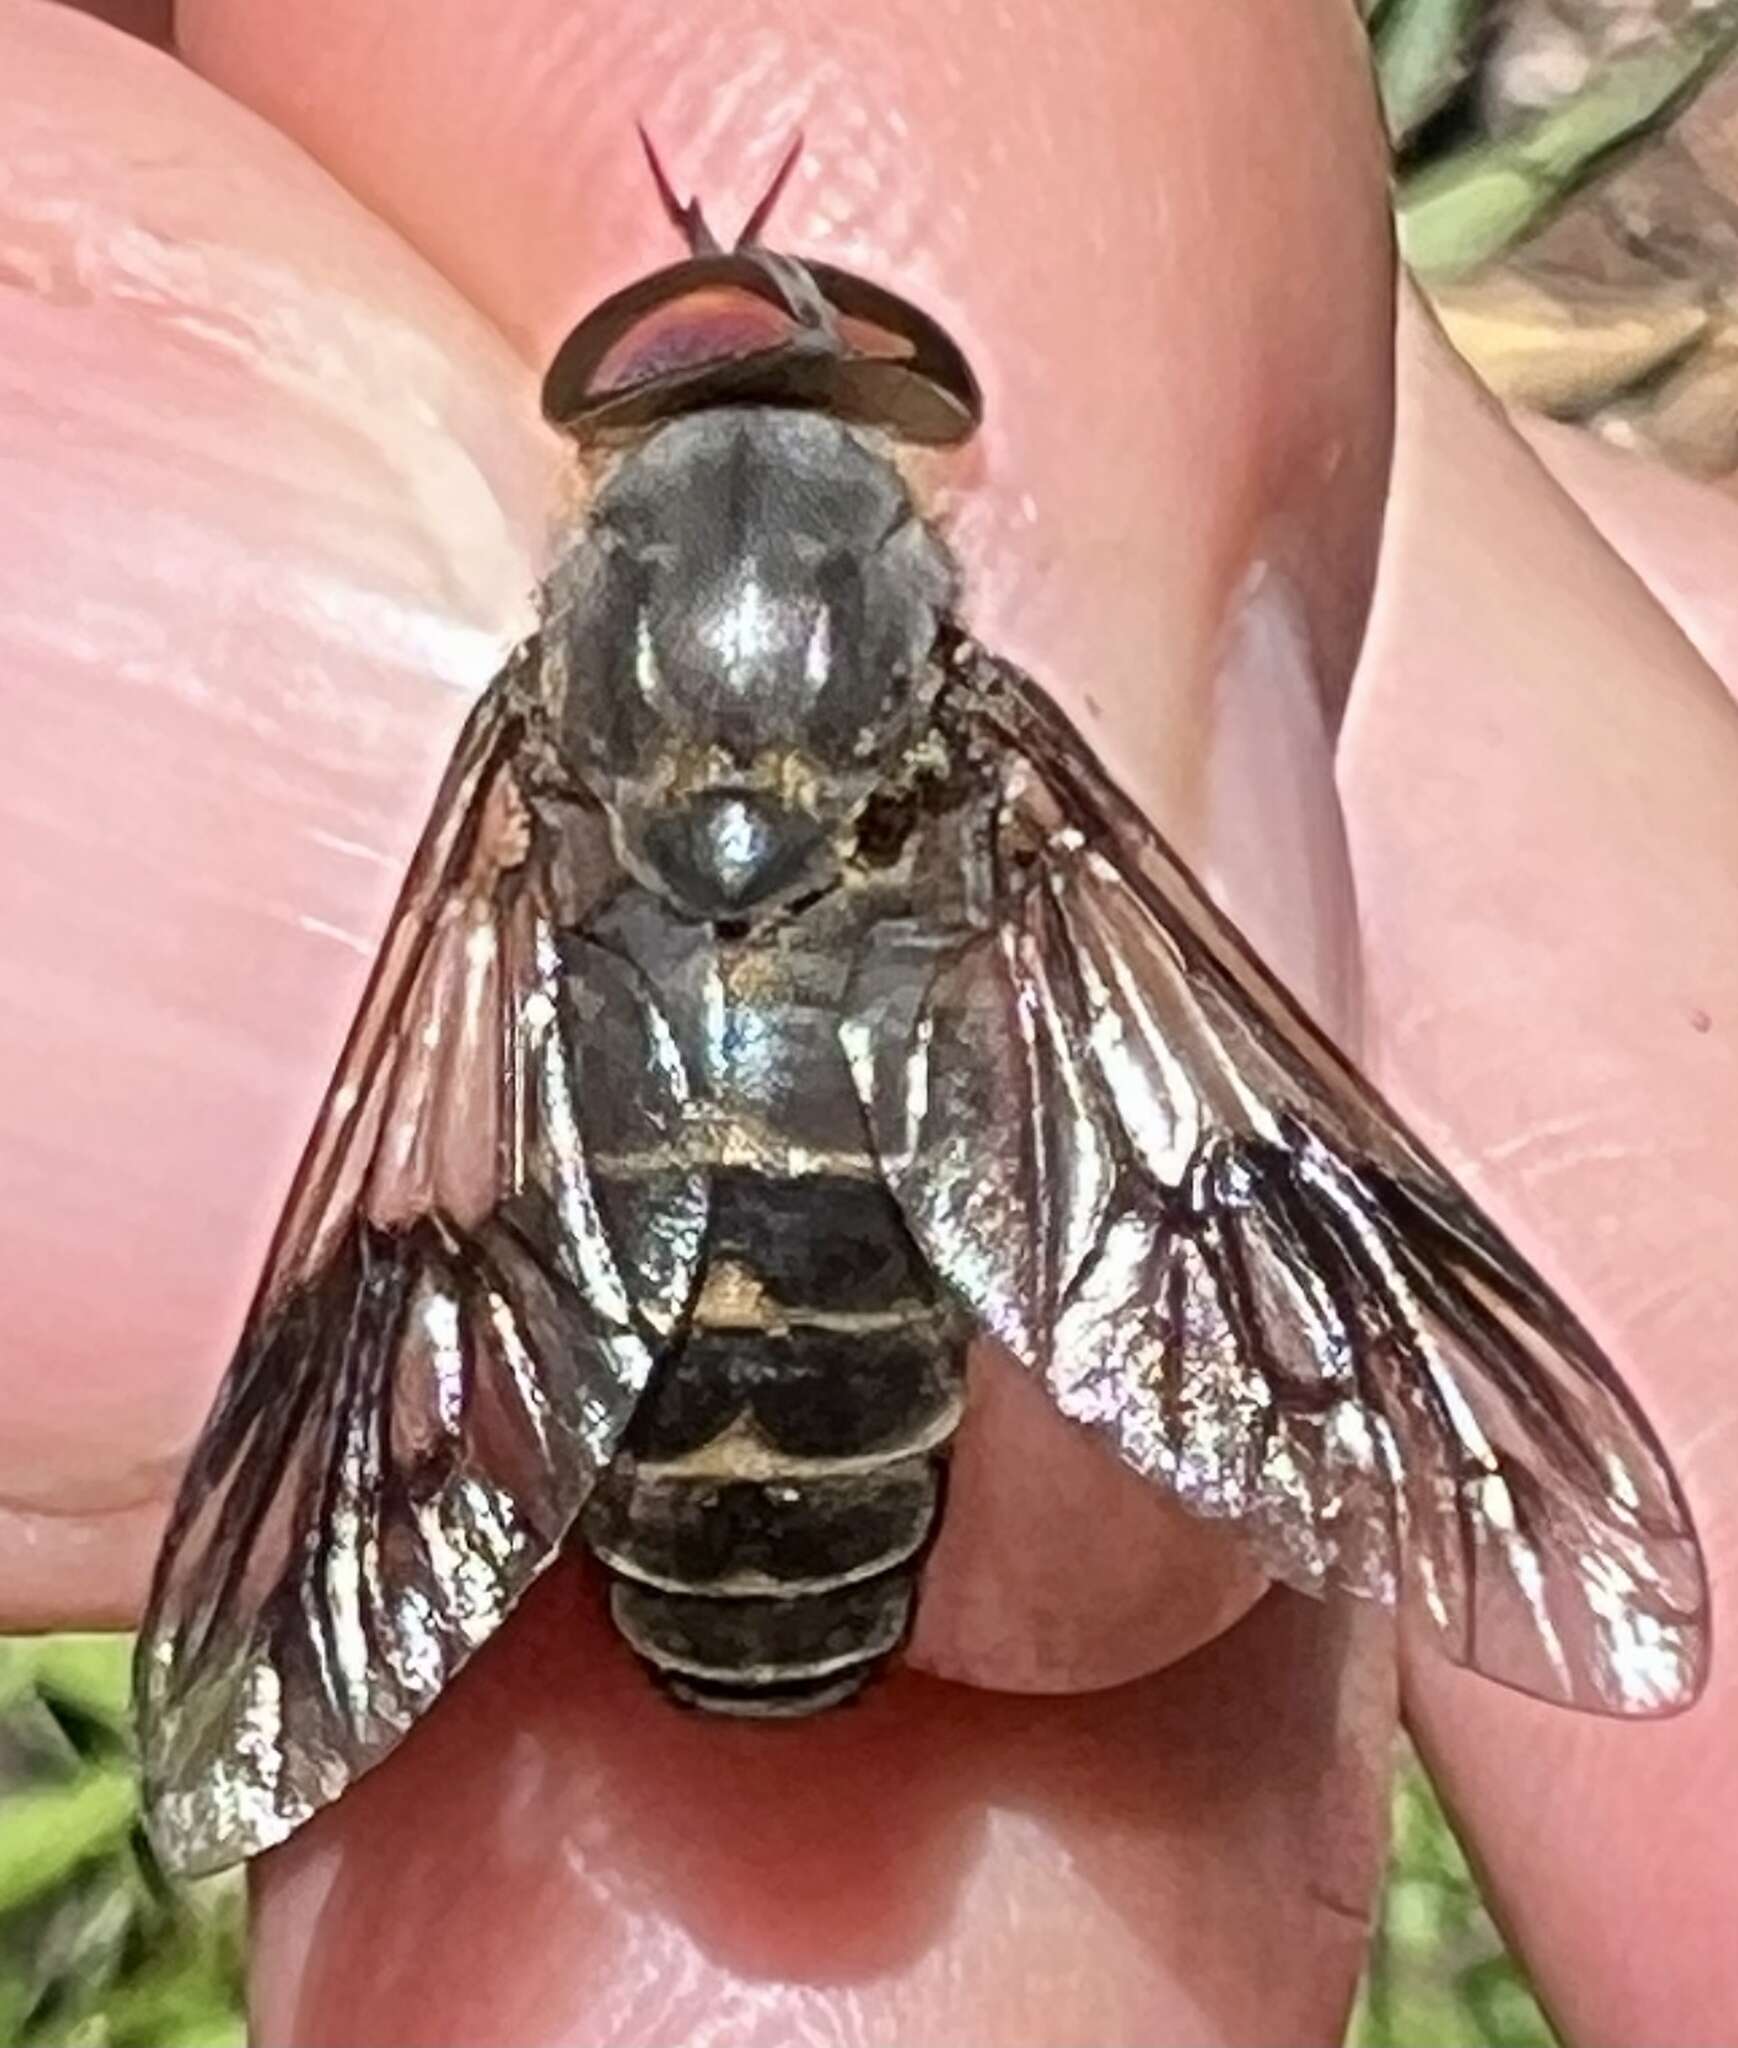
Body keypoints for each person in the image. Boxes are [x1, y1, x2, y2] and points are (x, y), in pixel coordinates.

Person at [1, 2, 1732, 2041]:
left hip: (674, 1438)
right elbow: (1193, 1169)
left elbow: (421, 1142)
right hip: (851, 1445)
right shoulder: (980, 715)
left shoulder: (529, 720)